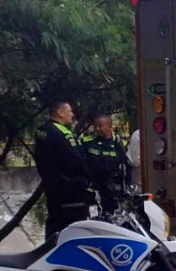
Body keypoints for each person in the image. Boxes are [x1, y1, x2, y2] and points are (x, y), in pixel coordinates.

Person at [33, 101, 93, 240]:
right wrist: (83, 180)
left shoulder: (43, 130)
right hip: (69, 191)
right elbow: (75, 159)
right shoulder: (61, 132)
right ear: (60, 112)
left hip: (54, 188)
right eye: (69, 111)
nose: (72, 114)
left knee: (55, 225)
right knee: (72, 230)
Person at [81, 114, 130, 216]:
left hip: (114, 192)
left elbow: (127, 167)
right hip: (94, 191)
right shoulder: (86, 142)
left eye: (100, 126)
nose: (97, 129)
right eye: (95, 126)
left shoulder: (120, 144)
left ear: (109, 126)